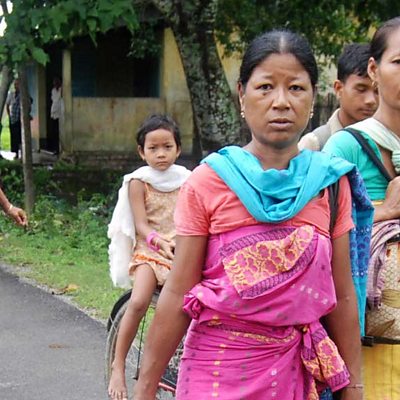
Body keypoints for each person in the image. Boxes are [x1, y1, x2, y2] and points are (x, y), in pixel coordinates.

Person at [133, 30, 374, 400]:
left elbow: (342, 297)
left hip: (297, 377)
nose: (281, 102)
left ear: (313, 97)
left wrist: (353, 386)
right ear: (242, 95)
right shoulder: (209, 181)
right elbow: (179, 291)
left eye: (296, 88)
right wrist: (145, 389)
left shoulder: (330, 183)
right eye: (265, 87)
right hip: (216, 375)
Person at [323, 16, 400, 400]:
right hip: (368, 348)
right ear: (373, 69)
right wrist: (383, 212)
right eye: (399, 62)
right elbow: (315, 236)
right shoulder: (345, 148)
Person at [107, 114, 191, 400]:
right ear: (141, 152)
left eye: (167, 147)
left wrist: (180, 243)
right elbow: (141, 225)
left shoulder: (187, 180)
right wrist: (158, 241)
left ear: (178, 149)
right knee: (140, 300)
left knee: (191, 307)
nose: (161, 154)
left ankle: (171, 366)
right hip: (150, 251)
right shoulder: (138, 182)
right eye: (153, 148)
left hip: (180, 250)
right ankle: (118, 363)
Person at [299, 43, 378, 151]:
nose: (371, 100)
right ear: (339, 88)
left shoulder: (388, 142)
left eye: (377, 91)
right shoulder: (316, 144)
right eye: (361, 89)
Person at [6, 79, 22, 159]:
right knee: (14, 136)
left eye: (17, 84)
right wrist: (9, 115)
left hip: (20, 118)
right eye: (15, 84)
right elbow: (7, 105)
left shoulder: (23, 95)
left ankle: (22, 153)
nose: (16, 86)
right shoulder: (11, 94)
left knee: (20, 136)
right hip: (13, 118)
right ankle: (16, 153)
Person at [49, 77, 62, 154]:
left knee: (59, 131)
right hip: (54, 111)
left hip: (60, 112)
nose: (55, 84)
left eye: (57, 82)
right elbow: (53, 100)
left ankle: (59, 148)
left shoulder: (61, 90)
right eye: (54, 82)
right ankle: (55, 148)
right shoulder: (53, 90)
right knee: (54, 131)